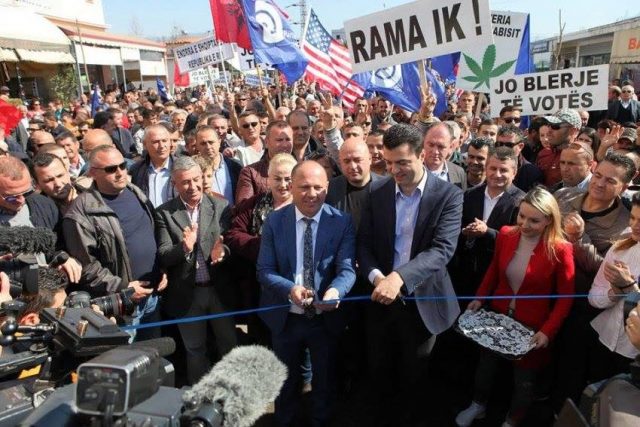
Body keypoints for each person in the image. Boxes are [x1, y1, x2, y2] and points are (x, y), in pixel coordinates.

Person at [358, 123, 463, 424]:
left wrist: (399, 277)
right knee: (380, 369)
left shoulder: (448, 195)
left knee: (414, 375)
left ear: (421, 155)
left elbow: (442, 250)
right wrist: (378, 277)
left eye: (402, 162)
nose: (394, 170)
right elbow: (364, 244)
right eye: (389, 162)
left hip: (423, 303)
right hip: (381, 300)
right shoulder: (376, 191)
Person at [457, 187, 575, 427]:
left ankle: (512, 421)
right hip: (497, 315)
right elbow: (493, 271)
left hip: (532, 326)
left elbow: (566, 297)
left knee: (524, 381)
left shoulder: (561, 249)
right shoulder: (506, 234)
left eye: (534, 220)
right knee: (485, 367)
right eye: (522, 216)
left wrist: (547, 331)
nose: (525, 224)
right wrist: (480, 298)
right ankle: (478, 405)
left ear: (549, 220)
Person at [257, 160, 356, 427]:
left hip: (325, 319)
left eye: (317, 187)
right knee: (285, 381)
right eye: (303, 187)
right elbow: (264, 270)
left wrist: (335, 291)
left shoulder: (341, 222)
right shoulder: (275, 221)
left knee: (324, 381)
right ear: (291, 186)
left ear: (327, 187)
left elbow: (347, 269)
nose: (311, 194)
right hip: (285, 318)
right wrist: (290, 289)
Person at [62, 145, 165, 341]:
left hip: (152, 297)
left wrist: (162, 268)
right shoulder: (81, 213)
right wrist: (124, 288)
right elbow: (87, 267)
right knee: (126, 357)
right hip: (122, 306)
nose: (119, 173)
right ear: (93, 173)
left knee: (153, 354)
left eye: (122, 166)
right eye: (111, 169)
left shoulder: (135, 191)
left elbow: (152, 235)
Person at [155, 156, 237, 385]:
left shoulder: (220, 206)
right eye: (185, 182)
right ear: (174, 184)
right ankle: (200, 395)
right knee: (195, 349)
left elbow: (230, 241)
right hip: (187, 295)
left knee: (229, 345)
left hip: (219, 290)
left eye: (196, 179)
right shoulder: (164, 213)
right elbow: (163, 254)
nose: (192, 186)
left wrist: (224, 251)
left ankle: (234, 391)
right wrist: (184, 247)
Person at [225, 153, 297, 343]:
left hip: (297, 283)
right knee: (264, 338)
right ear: (268, 179)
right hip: (258, 285)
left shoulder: (305, 204)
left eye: (288, 179)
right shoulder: (254, 204)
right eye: (277, 179)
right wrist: (263, 246)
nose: (283, 184)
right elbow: (233, 234)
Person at [452, 147, 525, 299]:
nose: (497, 174)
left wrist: (487, 232)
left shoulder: (521, 202)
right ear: (486, 168)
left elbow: (520, 240)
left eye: (503, 170)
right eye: (493, 168)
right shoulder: (470, 195)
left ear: (514, 173)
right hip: (465, 275)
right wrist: (466, 232)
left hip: (499, 277)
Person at [588, 192, 640, 380]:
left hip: (634, 356)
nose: (635, 225)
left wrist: (629, 287)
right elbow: (593, 296)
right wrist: (614, 292)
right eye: (632, 218)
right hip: (603, 339)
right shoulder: (621, 246)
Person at [235, 120, 294, 204]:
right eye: (279, 140)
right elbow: (243, 207)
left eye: (288, 139)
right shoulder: (250, 173)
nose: (284, 145)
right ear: (266, 142)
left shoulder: (301, 170)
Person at [129, 124, 177, 208]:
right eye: (156, 142)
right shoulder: (136, 170)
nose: (161, 146)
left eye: (164, 141)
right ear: (145, 144)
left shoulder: (181, 167)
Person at [195, 125, 241, 206]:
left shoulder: (235, 166)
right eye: (203, 143)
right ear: (197, 146)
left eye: (211, 142)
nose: (208, 147)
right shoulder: (192, 169)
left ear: (219, 142)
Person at [536, 109, 582, 187]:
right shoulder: (543, 154)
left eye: (555, 126)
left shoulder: (582, 158)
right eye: (549, 125)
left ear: (573, 131)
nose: (549, 131)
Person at [495, 126, 544, 192]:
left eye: (509, 145)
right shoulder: (488, 166)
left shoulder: (532, 173)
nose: (503, 148)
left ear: (520, 146)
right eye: (499, 144)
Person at [423, 123, 467, 190]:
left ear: (451, 147)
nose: (435, 151)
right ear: (423, 143)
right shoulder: (410, 169)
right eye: (431, 145)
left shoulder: (459, 173)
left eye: (441, 147)